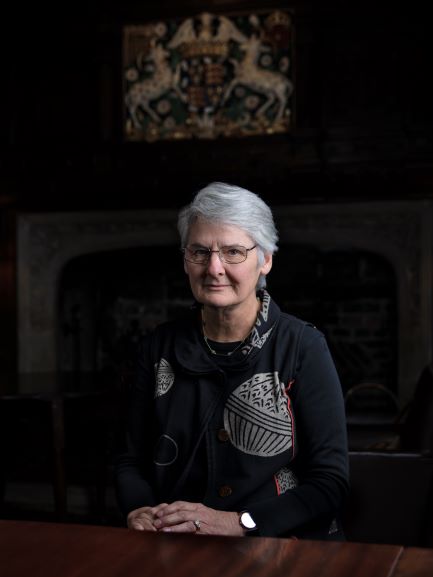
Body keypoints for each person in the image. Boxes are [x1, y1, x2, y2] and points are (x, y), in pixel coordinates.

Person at [114, 182, 349, 539]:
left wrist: (239, 523)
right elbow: (130, 460)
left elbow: (330, 483)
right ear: (185, 260)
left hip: (280, 545)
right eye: (199, 251)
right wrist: (140, 509)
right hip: (175, 542)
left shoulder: (303, 347)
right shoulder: (157, 347)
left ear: (265, 259)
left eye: (233, 252)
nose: (214, 268)